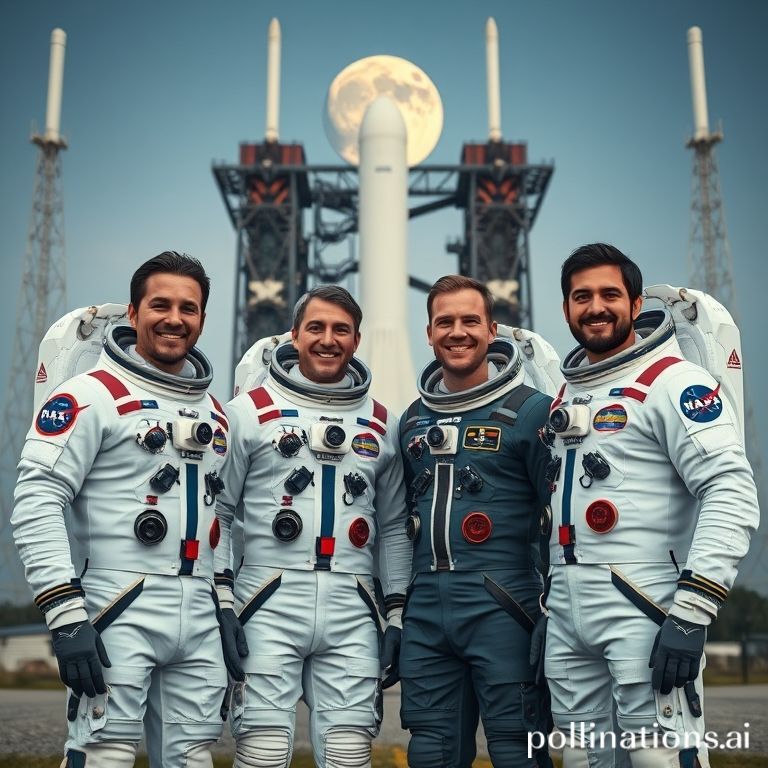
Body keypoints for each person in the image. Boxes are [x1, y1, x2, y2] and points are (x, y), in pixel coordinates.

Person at [12, 251, 244, 768]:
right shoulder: (91, 395)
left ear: (203, 319)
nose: (175, 319)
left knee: (192, 756)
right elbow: (37, 500)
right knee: (105, 752)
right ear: (133, 313)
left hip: (201, 611)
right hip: (118, 603)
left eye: (190, 308)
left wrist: (224, 602)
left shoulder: (215, 413)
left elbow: (219, 519)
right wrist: (66, 615)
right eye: (160, 304)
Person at [542, 243, 759, 767]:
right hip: (566, 613)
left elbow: (730, 489)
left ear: (637, 305)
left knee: (657, 756)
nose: (596, 306)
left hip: (646, 605)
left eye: (610, 294)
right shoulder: (565, 395)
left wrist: (691, 611)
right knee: (579, 759)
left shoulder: (673, 381)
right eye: (582, 296)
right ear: (567, 308)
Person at [215, 285, 411, 768]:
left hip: (353, 602)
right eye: (316, 328)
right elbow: (215, 513)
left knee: (348, 751)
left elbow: (392, 528)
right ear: (294, 336)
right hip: (266, 597)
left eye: (340, 330)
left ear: (356, 339)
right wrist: (221, 601)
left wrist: (397, 613)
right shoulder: (247, 413)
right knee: (262, 748)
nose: (328, 339)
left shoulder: (382, 423)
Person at [398, 274, 554, 768]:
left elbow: (560, 518)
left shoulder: (531, 413)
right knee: (430, 751)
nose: (457, 331)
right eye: (445, 322)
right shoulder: (411, 421)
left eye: (470, 320)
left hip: (505, 604)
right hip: (426, 611)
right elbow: (397, 521)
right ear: (428, 333)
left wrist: (556, 610)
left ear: (492, 330)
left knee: (517, 748)